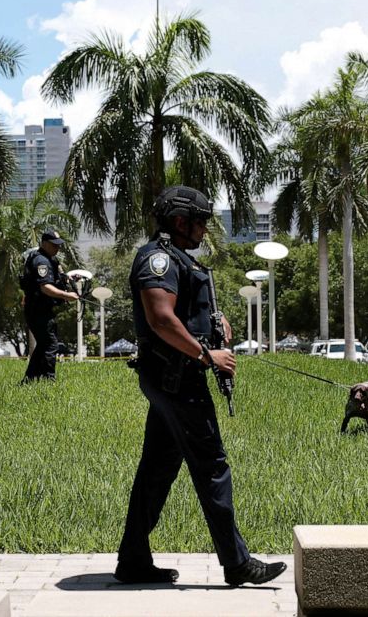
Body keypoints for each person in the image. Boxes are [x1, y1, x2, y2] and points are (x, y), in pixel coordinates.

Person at [116, 185, 287, 587]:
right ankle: (237, 562)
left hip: (174, 377)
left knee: (156, 471)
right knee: (212, 467)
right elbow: (160, 318)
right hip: (176, 380)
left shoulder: (177, 259)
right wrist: (208, 356)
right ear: (180, 221)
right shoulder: (157, 259)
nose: (205, 228)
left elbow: (183, 311)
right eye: (201, 221)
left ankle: (133, 561)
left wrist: (215, 321)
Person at [20, 229, 79, 384]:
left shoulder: (48, 259)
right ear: (45, 244)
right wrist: (68, 296)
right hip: (37, 310)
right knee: (50, 345)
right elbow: (45, 287)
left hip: (41, 309)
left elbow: (55, 279)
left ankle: (29, 380)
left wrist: (67, 278)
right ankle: (48, 380)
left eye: (59, 245)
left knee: (44, 344)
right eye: (54, 245)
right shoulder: (41, 261)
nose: (57, 248)